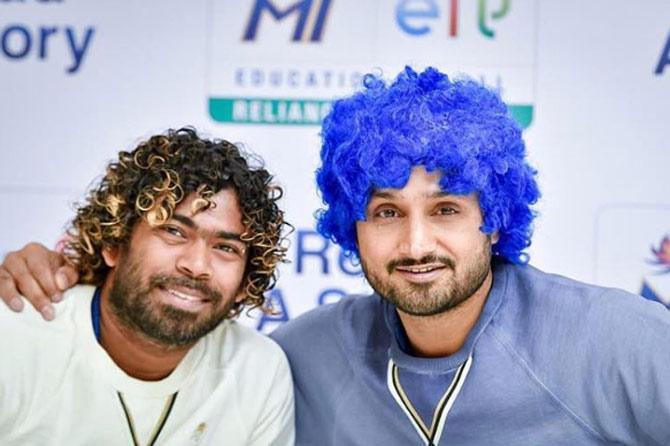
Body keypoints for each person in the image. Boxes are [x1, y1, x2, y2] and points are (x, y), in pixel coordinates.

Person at [3, 68, 670, 445]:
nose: (414, 245)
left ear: (494, 222)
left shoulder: (616, 342)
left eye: (446, 210)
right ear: (352, 225)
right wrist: (80, 271)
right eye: (386, 212)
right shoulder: (296, 358)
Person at [0, 128, 294, 445]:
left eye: (225, 248)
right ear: (114, 242)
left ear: (244, 283)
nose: (196, 265)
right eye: (173, 231)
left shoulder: (256, 371)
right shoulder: (16, 338)